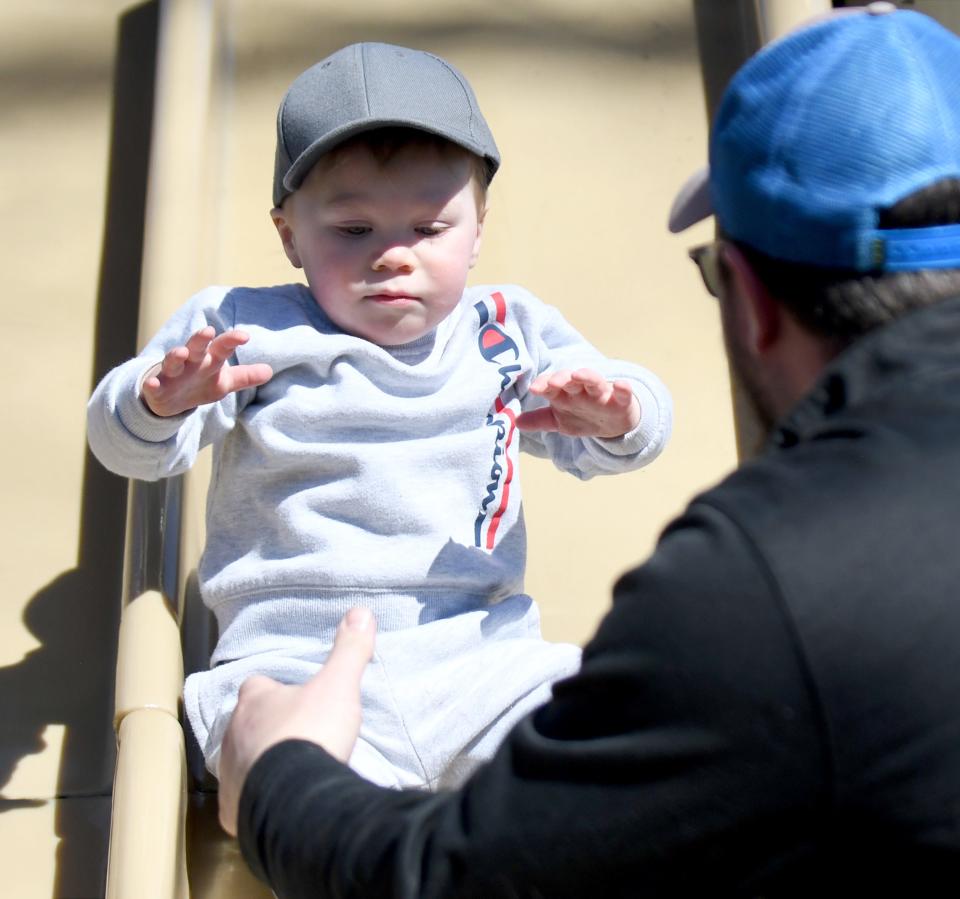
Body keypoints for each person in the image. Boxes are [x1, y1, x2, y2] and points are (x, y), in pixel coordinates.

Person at [216, 5, 960, 896]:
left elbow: (451, 879)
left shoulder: (759, 588)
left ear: (751, 302)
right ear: (290, 231)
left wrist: (275, 773)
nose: (393, 254)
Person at [86, 42, 672, 787]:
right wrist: (157, 400)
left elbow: (633, 427)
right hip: (295, 658)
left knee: (617, 723)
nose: (394, 255)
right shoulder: (243, 328)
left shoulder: (508, 330)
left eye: (429, 229)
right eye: (353, 230)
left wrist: (620, 413)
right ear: (290, 234)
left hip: (480, 659)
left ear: (479, 226)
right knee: (272, 756)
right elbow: (126, 449)